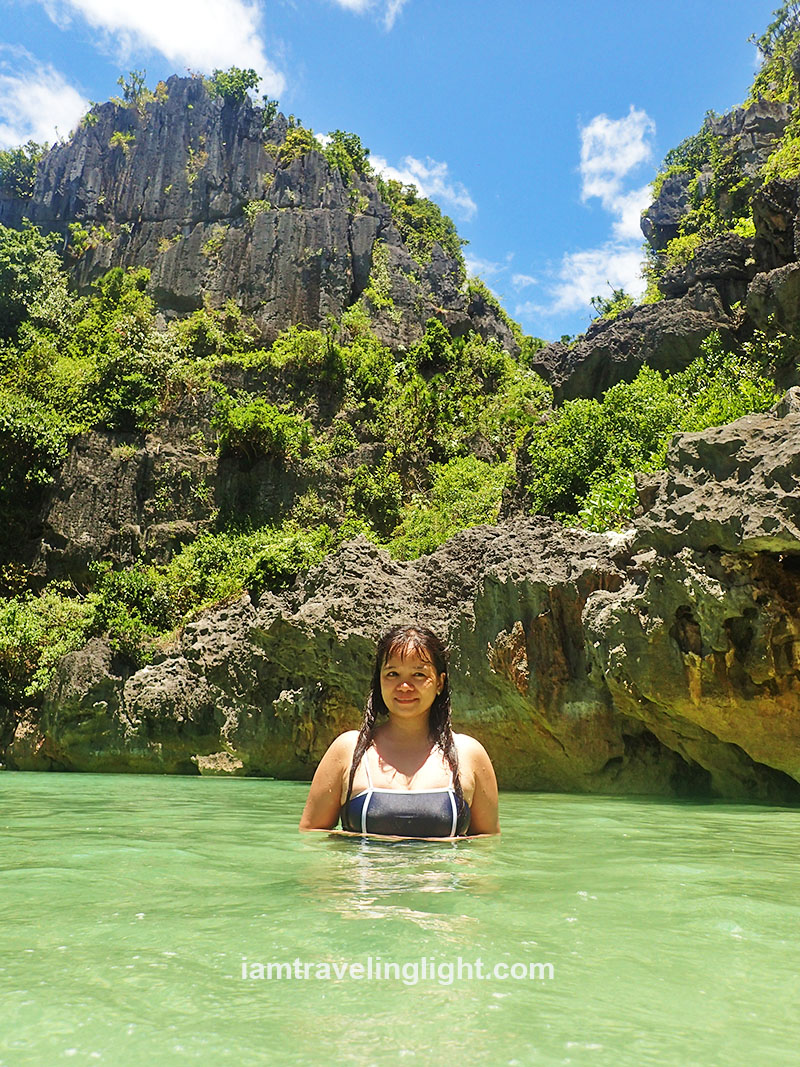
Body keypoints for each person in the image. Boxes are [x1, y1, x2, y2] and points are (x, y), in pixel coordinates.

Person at [299, 625, 500, 838]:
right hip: (364, 872)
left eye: (419, 675)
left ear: (440, 682)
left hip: (442, 872)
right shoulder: (348, 749)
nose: (404, 686)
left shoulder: (468, 753)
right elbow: (313, 837)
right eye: (393, 673)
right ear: (379, 680)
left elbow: (485, 846)